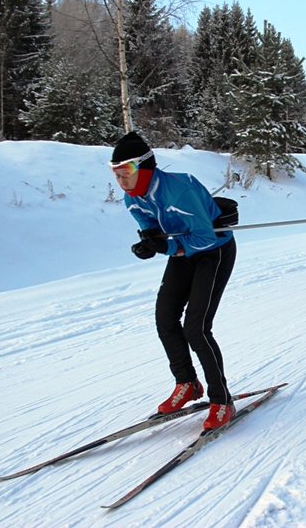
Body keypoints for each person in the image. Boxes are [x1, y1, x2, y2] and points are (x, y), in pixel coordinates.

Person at [110, 132, 237, 430]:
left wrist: (165, 247)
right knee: (165, 318)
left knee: (197, 328)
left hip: (214, 251)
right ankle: (188, 384)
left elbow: (204, 237)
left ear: (145, 167)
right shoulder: (131, 199)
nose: (122, 180)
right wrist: (148, 243)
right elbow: (153, 230)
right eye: (115, 173)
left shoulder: (179, 191)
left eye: (126, 171)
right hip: (183, 252)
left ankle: (222, 400)